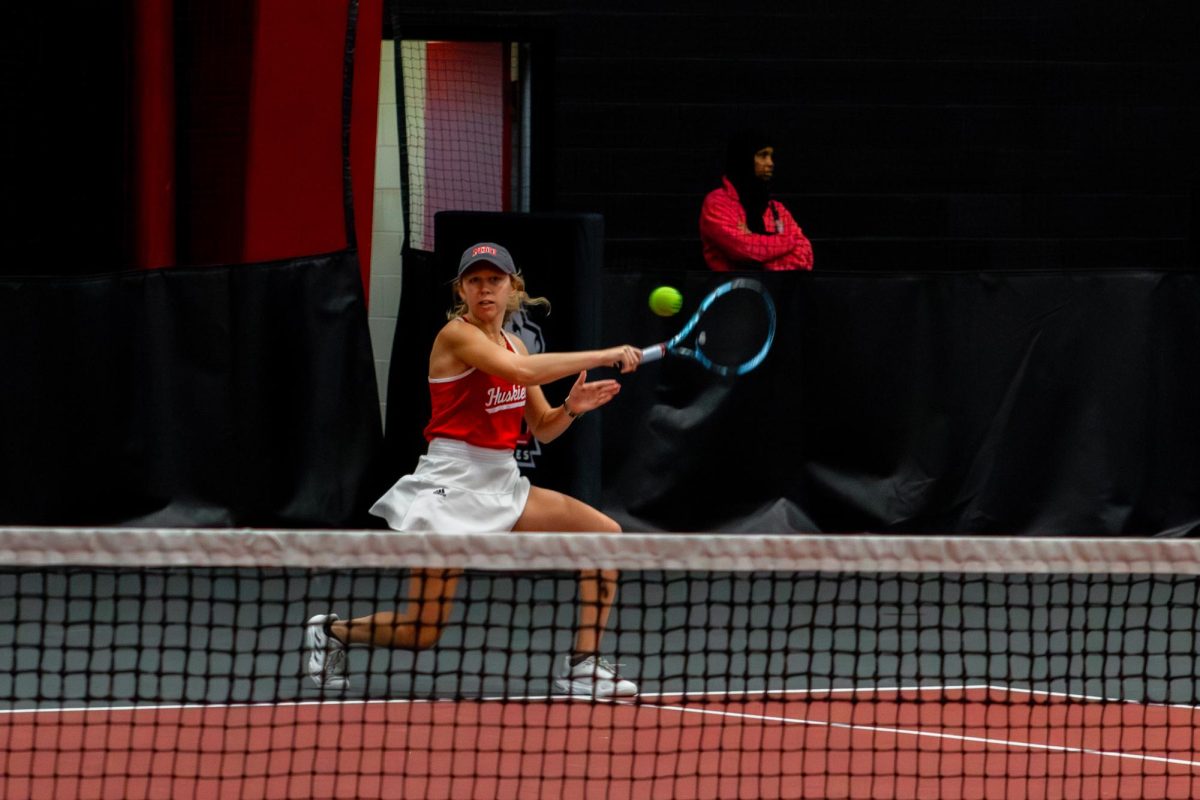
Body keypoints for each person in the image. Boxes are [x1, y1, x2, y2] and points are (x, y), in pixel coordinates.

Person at [304, 242, 643, 698]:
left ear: (512, 288)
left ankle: (581, 665)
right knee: (422, 632)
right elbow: (520, 373)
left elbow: (542, 429)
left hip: (502, 481)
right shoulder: (456, 336)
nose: (485, 288)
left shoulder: (515, 342)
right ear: (462, 290)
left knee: (605, 537)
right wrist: (602, 354)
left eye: (495, 280)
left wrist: (572, 408)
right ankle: (334, 633)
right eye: (475, 280)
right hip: (451, 484)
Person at [699, 129, 814, 271]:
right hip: (731, 290)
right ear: (744, 158)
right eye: (763, 155)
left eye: (771, 156)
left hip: (775, 291)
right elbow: (742, 249)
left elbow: (805, 255)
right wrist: (789, 241)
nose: (770, 163)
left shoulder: (776, 208)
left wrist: (754, 246)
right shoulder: (717, 203)